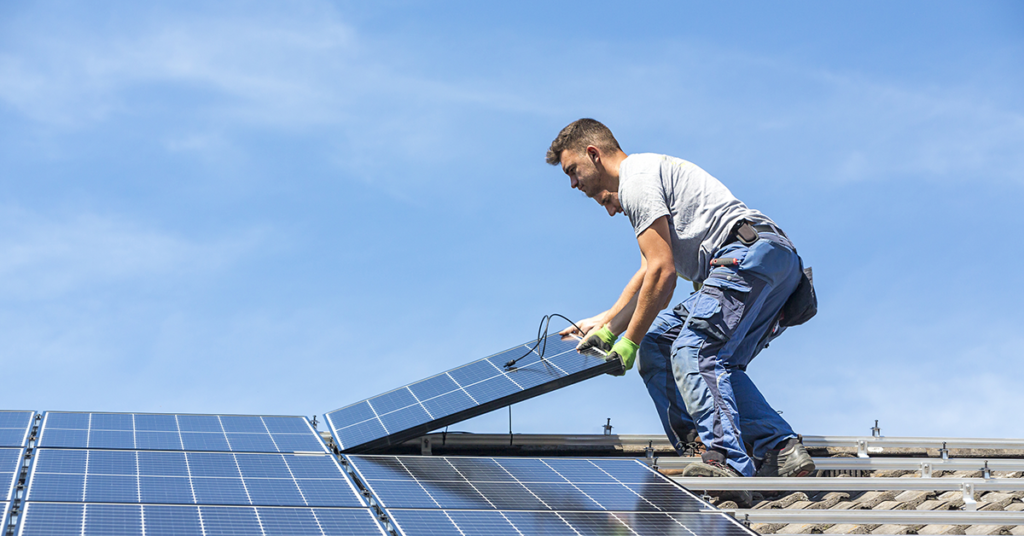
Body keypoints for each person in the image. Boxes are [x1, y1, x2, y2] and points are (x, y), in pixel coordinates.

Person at [547, 118, 814, 489]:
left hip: (743, 258)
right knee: (666, 346)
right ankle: (779, 449)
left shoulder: (635, 178)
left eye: (572, 171)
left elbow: (663, 274)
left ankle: (723, 459)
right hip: (770, 262)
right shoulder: (648, 176)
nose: (573, 184)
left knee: (693, 350)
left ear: (593, 154)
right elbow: (647, 273)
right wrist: (607, 323)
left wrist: (627, 342)